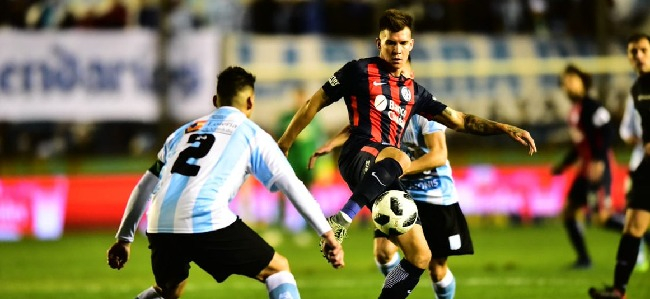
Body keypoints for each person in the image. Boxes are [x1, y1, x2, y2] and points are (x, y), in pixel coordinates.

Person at [277, 8, 536, 298]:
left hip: (384, 172)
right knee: (401, 157)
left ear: (411, 45)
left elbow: (461, 121)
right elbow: (315, 101)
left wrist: (503, 127)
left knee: (420, 256)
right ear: (379, 43)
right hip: (359, 156)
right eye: (390, 43)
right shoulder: (358, 71)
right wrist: (286, 142)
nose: (397, 50)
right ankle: (342, 219)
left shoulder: (415, 93)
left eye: (403, 43)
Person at [106, 66, 344, 299]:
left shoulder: (181, 133)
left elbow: (144, 187)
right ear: (250, 102)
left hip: (160, 223)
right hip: (204, 217)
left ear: (215, 100)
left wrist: (124, 239)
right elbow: (292, 185)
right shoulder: (253, 134)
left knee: (169, 290)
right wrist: (326, 233)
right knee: (278, 269)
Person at [310, 115, 473, 299]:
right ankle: (395, 293)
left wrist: (398, 167)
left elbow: (439, 155)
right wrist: (332, 144)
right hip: (398, 193)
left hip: (434, 194)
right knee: (383, 253)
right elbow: (356, 127)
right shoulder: (385, 107)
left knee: (436, 268)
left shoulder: (426, 111)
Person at [589, 33, 650, 299]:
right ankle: (618, 291)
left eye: (644, 50)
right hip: (647, 166)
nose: (638, 55)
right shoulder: (637, 88)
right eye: (633, 51)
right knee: (632, 226)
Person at [550, 63, 625, 269]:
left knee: (602, 218)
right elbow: (579, 146)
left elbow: (608, 132)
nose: (568, 86)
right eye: (565, 83)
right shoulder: (575, 111)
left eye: (572, 81)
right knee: (569, 211)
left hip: (600, 167)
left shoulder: (593, 107)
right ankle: (584, 259)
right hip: (585, 170)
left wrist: (600, 160)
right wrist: (563, 165)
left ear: (584, 82)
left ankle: (639, 233)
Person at [274, 84, 325, 233]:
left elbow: (318, 140)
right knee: (284, 192)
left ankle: (308, 225)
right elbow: (279, 138)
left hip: (307, 164)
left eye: (302, 98)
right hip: (291, 163)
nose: (300, 101)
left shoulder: (314, 119)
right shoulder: (286, 118)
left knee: (307, 196)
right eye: (298, 98)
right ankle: (280, 222)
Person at [619, 91, 650, 272]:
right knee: (632, 209)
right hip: (639, 163)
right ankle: (638, 255)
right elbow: (625, 131)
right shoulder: (636, 94)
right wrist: (641, 141)